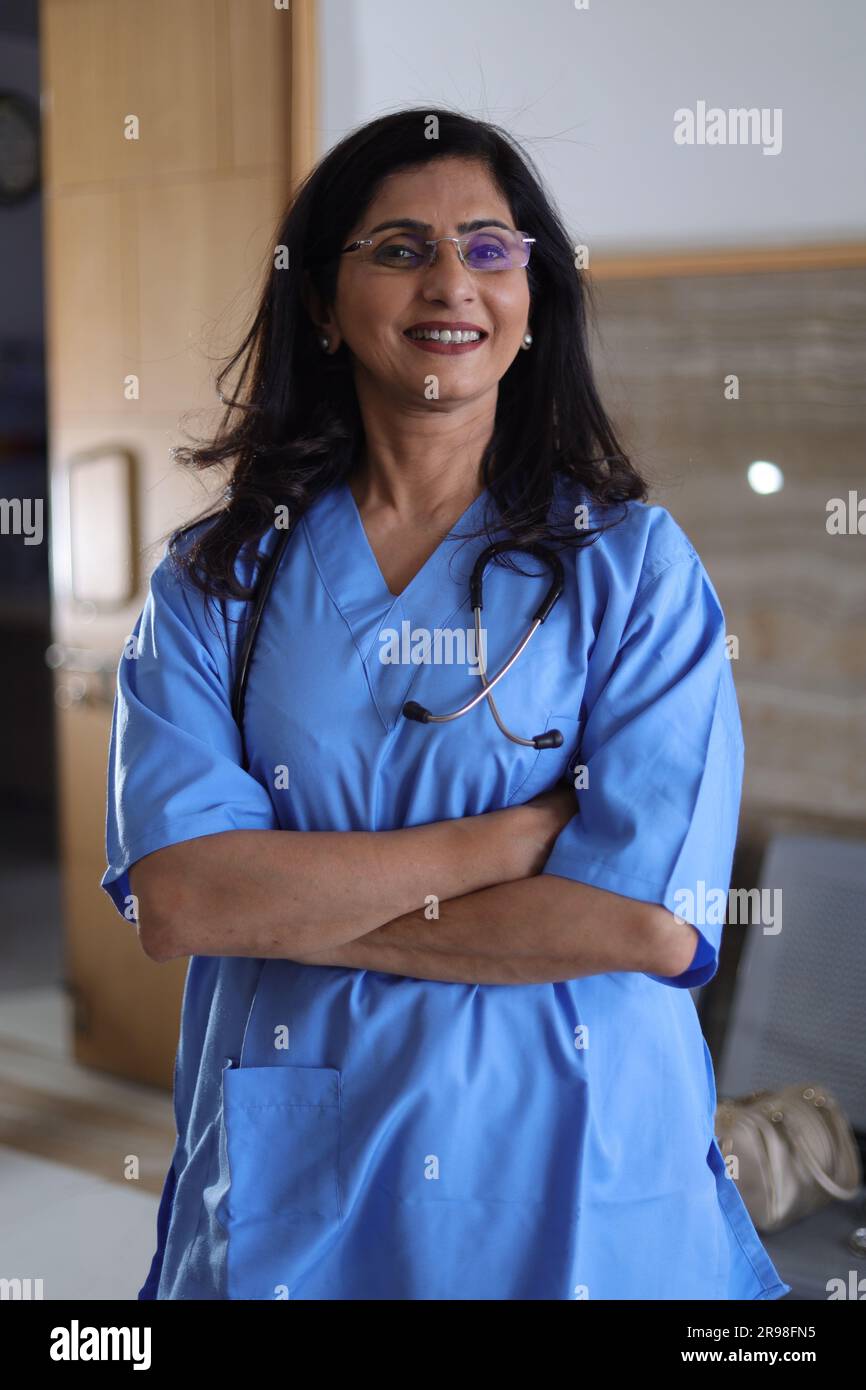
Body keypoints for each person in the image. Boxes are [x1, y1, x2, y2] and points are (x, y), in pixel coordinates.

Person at [101, 108, 791, 1301]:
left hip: (572, 1144)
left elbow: (646, 924)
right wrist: (509, 843)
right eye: (397, 248)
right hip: (302, 1141)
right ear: (322, 302)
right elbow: (181, 898)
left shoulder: (630, 567)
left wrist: (286, 908)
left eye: (487, 247)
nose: (450, 282)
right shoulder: (220, 578)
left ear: (531, 300)